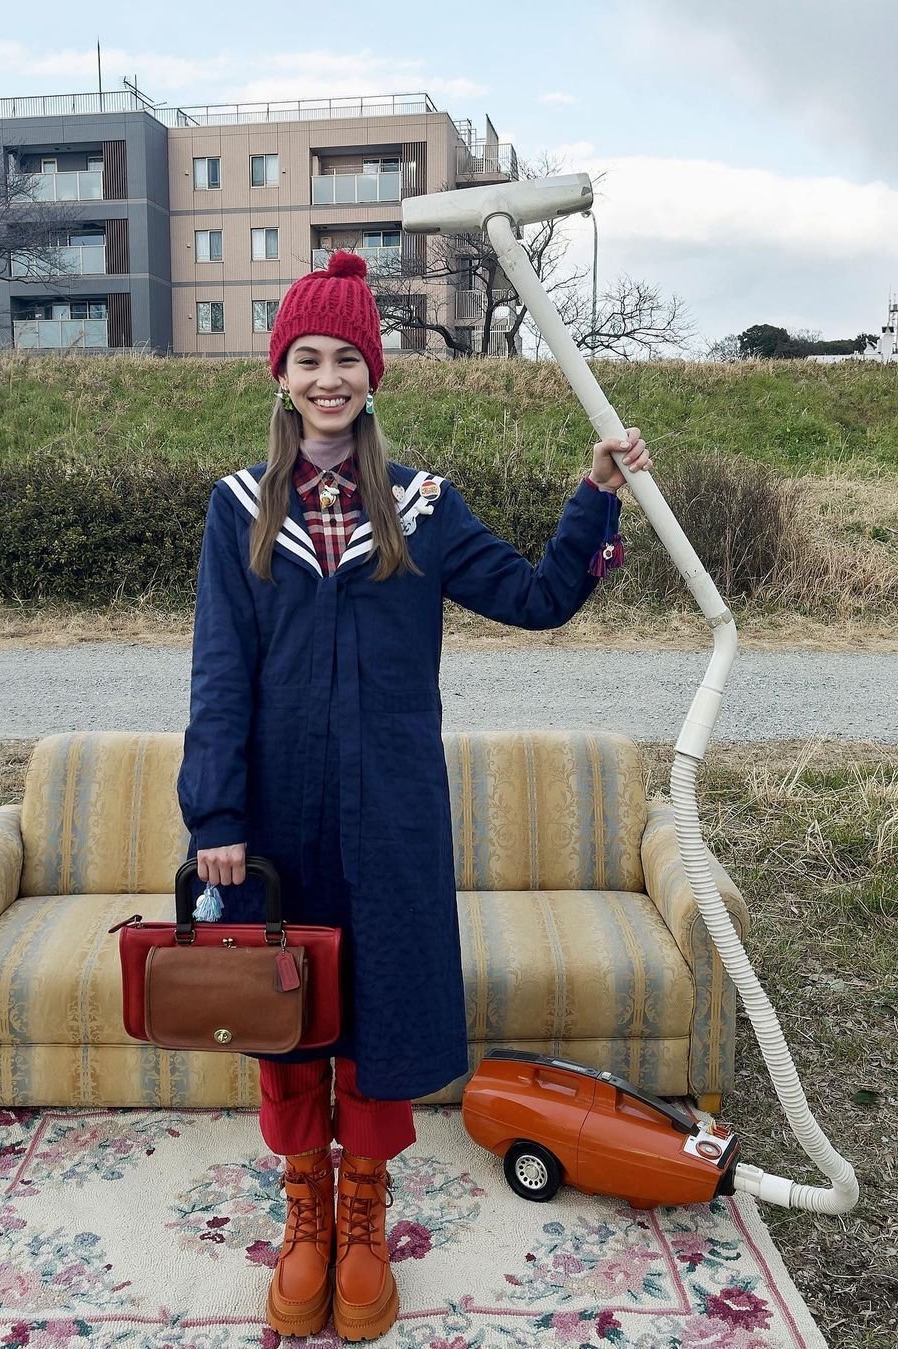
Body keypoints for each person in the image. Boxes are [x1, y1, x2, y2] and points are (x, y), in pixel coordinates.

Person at [176, 251, 651, 1342]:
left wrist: (594, 499)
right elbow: (218, 668)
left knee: (377, 1011)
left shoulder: (424, 507)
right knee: (287, 1012)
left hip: (391, 810)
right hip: (278, 815)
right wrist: (218, 815)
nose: (329, 376)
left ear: (375, 372)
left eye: (348, 356)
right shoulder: (239, 508)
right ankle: (304, 1209)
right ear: (280, 372)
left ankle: (363, 1213)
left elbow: (536, 598)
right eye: (309, 357)